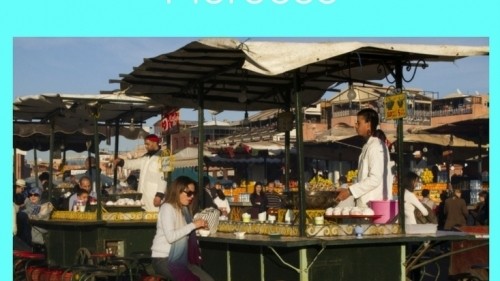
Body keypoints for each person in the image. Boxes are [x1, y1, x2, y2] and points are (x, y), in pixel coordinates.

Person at [151, 176, 214, 281]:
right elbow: (171, 237)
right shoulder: (167, 208)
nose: (191, 196)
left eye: (193, 194)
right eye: (189, 193)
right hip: (163, 259)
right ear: (178, 191)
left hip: (181, 260)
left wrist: (197, 229)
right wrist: (193, 225)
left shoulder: (183, 210)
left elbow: (184, 232)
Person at [336, 108, 393, 207]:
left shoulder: (376, 146)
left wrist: (350, 191)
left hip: (374, 206)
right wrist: (349, 189)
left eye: (358, 123)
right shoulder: (368, 145)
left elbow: (375, 179)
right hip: (365, 206)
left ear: (368, 124)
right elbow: (364, 178)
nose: (356, 126)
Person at [114, 134, 167, 212]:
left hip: (154, 195)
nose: (145, 146)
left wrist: (159, 195)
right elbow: (134, 164)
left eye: (147, 144)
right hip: (142, 194)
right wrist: (121, 162)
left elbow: (165, 178)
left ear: (155, 143)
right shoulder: (145, 157)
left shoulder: (165, 157)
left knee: (153, 216)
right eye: (145, 144)